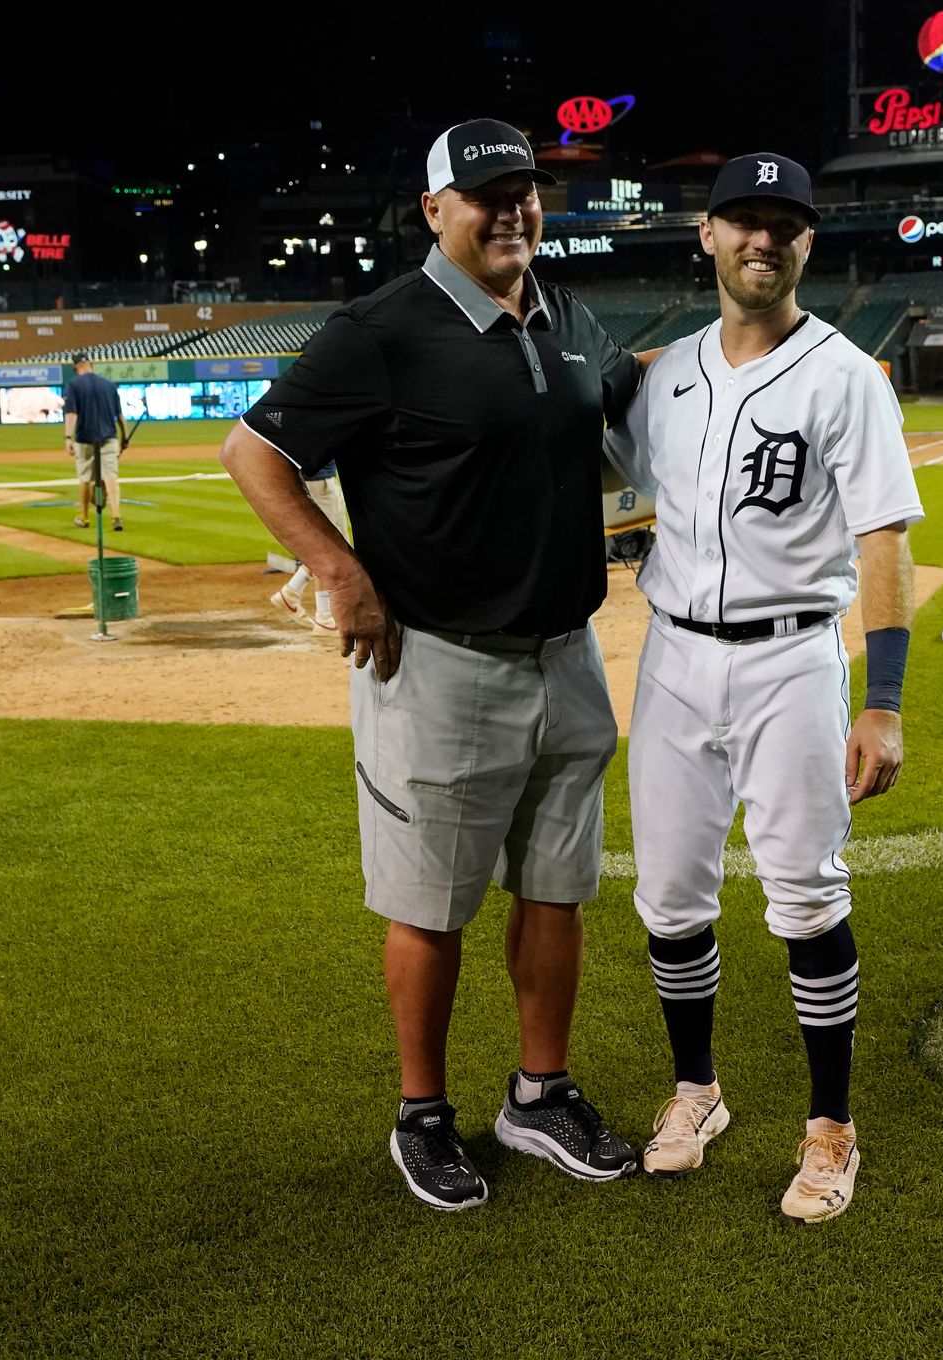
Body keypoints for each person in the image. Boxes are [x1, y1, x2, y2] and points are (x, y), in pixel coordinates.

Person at [218, 118, 645, 1211]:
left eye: (527, 192)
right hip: (441, 660)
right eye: (488, 194)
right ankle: (423, 1114)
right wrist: (339, 572)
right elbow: (253, 451)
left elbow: (607, 440)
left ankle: (539, 1094)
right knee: (432, 904)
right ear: (435, 211)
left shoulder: (565, 318)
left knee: (557, 890)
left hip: (568, 653)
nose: (514, 210)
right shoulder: (381, 329)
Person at [605, 152, 924, 1224]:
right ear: (707, 235)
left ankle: (830, 1126)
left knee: (808, 898)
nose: (762, 239)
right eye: (743, 219)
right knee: (671, 900)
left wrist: (883, 697)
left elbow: (884, 536)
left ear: (806, 243)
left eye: (783, 223)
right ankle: (697, 1090)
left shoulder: (847, 376)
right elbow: (611, 491)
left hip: (793, 661)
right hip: (674, 659)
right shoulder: (666, 375)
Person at [266, 461, 351, 630]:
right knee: (329, 547)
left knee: (334, 546)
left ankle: (292, 593)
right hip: (319, 482)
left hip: (316, 481)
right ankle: (323, 616)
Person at [62, 354, 125, 531]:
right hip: (109, 436)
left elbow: (71, 414)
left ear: (76, 368)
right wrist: (125, 438)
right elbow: (120, 416)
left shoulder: (73, 385)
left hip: (84, 438)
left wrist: (68, 437)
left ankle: (84, 517)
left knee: (85, 478)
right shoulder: (109, 384)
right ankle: (116, 516)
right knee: (111, 475)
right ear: (91, 364)